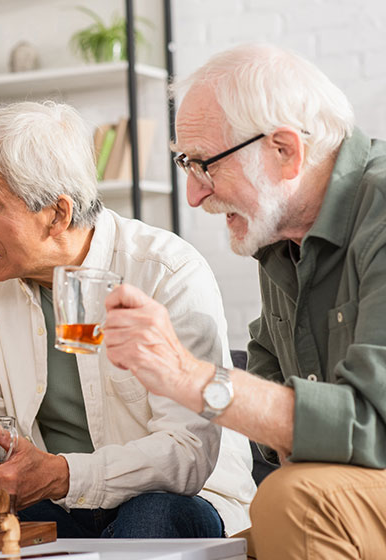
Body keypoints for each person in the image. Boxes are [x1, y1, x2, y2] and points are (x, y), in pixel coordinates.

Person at [0, 100, 256, 539]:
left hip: (181, 499)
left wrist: (62, 474)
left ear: (58, 214)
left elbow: (186, 454)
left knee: (152, 519)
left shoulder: (166, 272)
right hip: (55, 505)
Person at [103, 43, 386, 559]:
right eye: (185, 164)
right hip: (348, 492)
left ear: (284, 151)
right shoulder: (282, 242)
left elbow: (374, 425)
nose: (194, 195)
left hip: (340, 489)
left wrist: (187, 377)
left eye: (205, 164)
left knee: (292, 501)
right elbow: (273, 417)